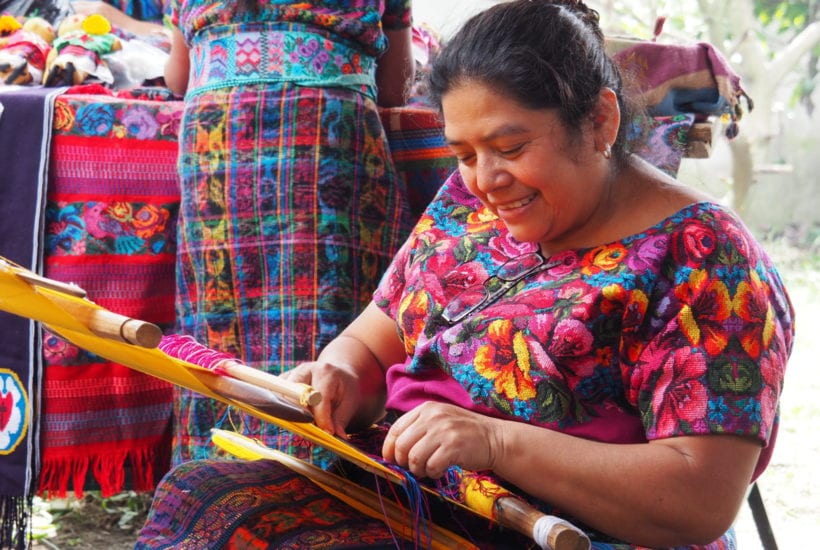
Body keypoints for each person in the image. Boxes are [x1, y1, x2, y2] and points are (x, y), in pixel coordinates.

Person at [137, 1, 794, 548]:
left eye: (509, 148)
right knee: (205, 500)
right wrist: (339, 377)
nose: (485, 180)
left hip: (557, 534)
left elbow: (698, 498)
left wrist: (495, 443)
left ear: (599, 121)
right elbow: (374, 339)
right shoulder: (469, 200)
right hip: (420, 502)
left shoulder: (708, 263)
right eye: (465, 153)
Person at [160, 0, 416, 466]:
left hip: (219, 135)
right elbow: (397, 85)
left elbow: (178, 77)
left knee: (219, 319)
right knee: (335, 314)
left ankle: (214, 468)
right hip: (329, 129)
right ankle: (330, 470)